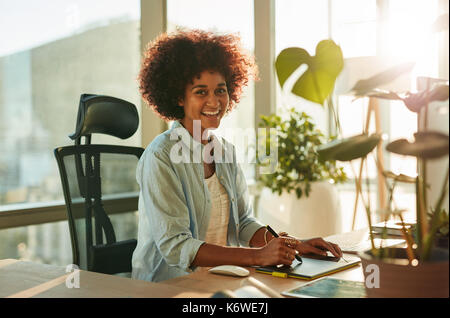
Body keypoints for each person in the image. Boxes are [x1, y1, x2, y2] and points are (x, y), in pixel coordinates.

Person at [131, 29, 342, 283]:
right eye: (201, 92)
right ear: (178, 97)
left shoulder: (225, 152)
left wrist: (293, 244)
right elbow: (176, 245)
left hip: (221, 279)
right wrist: (257, 257)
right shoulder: (161, 156)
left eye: (220, 90)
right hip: (168, 286)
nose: (215, 100)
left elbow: (243, 223)